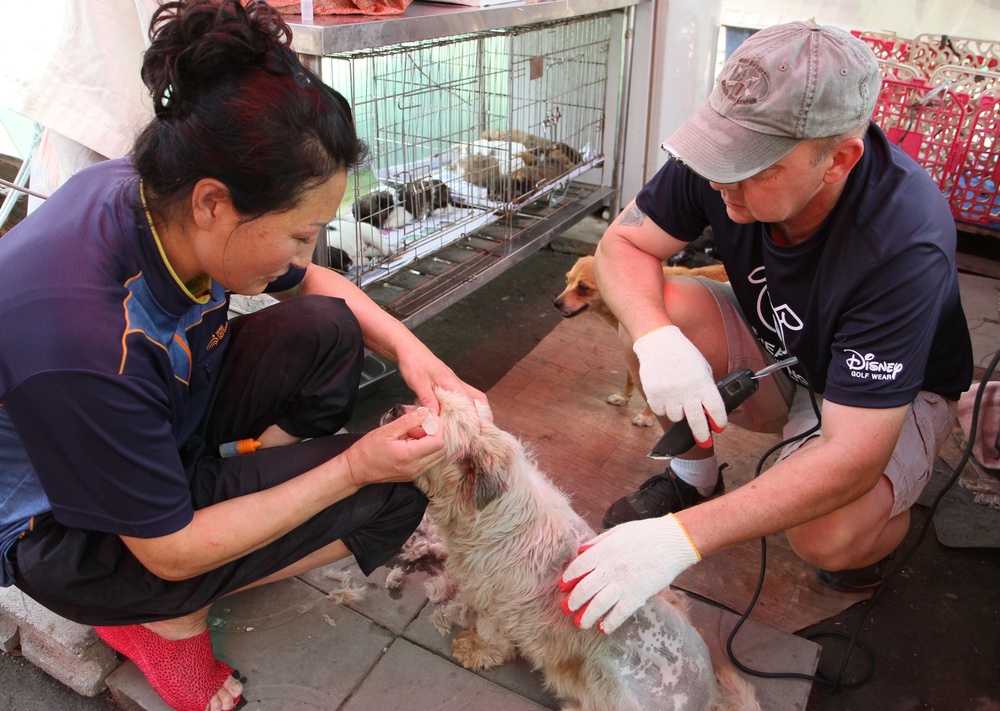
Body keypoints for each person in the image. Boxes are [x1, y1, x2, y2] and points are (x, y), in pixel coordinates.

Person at [0, 2, 486, 710]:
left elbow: (322, 285)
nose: (305, 253)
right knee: (391, 491)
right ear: (214, 204)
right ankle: (163, 614)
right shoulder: (89, 335)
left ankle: (238, 503)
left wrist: (421, 359)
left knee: (328, 327)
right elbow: (166, 549)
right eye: (299, 233)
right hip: (61, 528)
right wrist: (351, 466)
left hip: (154, 416)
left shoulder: (155, 191)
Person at [558, 21, 973, 635]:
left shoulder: (903, 242)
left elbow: (855, 454)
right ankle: (691, 479)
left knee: (827, 532)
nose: (721, 179)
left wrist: (676, 543)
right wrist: (656, 338)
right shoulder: (719, 165)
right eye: (720, 149)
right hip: (786, 350)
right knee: (653, 305)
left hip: (886, 399)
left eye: (752, 165)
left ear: (838, 160)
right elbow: (621, 245)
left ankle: (885, 523)